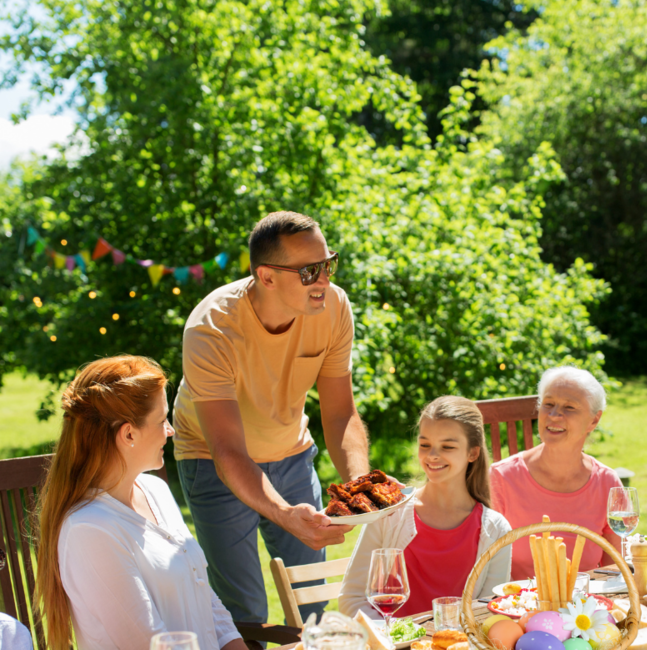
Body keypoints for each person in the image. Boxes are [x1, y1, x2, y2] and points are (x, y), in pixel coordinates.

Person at [173, 211, 369, 625]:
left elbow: (339, 413)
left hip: (292, 453)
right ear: (266, 277)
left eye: (327, 264)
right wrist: (283, 514)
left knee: (311, 601)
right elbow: (227, 450)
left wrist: (361, 490)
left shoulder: (333, 307)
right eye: (309, 271)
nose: (324, 281)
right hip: (213, 460)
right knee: (244, 612)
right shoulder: (211, 330)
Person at [34, 356, 246, 650]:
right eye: (162, 420)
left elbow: (205, 599)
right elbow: (149, 644)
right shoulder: (91, 530)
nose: (170, 430)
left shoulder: (154, 489)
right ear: (129, 433)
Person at [338, 396, 511, 618]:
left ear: (473, 453)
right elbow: (352, 598)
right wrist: (389, 637)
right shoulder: (389, 515)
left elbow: (490, 611)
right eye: (425, 444)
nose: (432, 456)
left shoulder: (496, 530)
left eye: (447, 446)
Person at [490, 366, 623, 580]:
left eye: (569, 407)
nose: (553, 415)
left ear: (594, 420)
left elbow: (615, 569)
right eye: (548, 404)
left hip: (583, 608)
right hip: (515, 606)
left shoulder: (607, 483)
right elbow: (483, 567)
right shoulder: (501, 479)